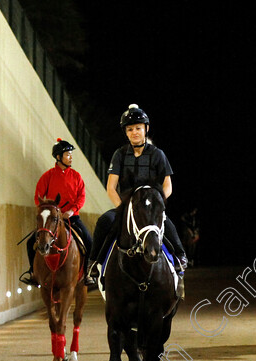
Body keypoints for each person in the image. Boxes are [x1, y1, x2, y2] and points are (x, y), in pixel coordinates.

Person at [86, 104, 187, 288]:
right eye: (130, 129)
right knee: (104, 222)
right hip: (127, 206)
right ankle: (93, 264)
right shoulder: (120, 155)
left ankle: (180, 257)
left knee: (166, 224)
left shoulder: (158, 154)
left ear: (146, 129)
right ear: (125, 132)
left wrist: (158, 205)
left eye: (138, 128)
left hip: (151, 205)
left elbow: (168, 185)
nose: (134, 132)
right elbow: (111, 187)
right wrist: (122, 208)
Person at [19, 139, 92, 286]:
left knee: (89, 241)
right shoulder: (48, 176)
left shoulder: (77, 176)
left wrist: (72, 211)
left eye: (71, 154)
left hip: (72, 218)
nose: (71, 157)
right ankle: (32, 273)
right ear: (59, 157)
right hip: (51, 219)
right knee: (30, 243)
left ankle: (87, 272)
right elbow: (38, 197)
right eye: (68, 154)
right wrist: (48, 211)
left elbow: (81, 197)